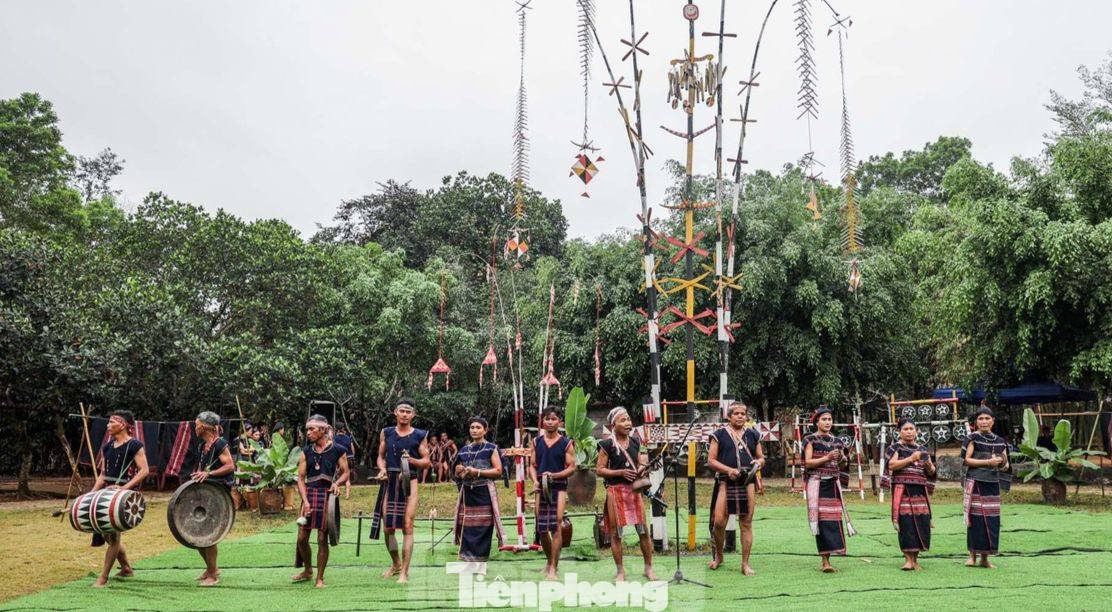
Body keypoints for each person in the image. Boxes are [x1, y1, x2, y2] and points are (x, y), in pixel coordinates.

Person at [371, 398, 430, 583]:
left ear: (413, 415)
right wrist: (382, 469)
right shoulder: (386, 432)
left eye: (408, 412)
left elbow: (426, 461)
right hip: (390, 480)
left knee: (407, 525)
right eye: (401, 411)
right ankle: (395, 563)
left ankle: (404, 571)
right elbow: (380, 457)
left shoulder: (420, 435)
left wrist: (413, 461)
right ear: (395, 412)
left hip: (409, 480)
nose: (404, 414)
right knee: (388, 528)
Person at [90, 410, 150, 588]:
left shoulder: (135, 445)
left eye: (111, 422)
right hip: (106, 493)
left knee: (114, 536)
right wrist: (91, 493)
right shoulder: (107, 447)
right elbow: (103, 475)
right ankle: (126, 568)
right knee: (106, 534)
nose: (107, 426)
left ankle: (103, 577)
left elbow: (144, 470)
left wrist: (124, 488)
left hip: (122, 495)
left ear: (123, 425)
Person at [596, 407, 656, 582]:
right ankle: (620, 572)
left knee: (643, 530)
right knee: (616, 533)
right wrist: (620, 473)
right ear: (613, 424)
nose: (628, 423)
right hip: (615, 492)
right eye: (623, 420)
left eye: (628, 419)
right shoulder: (606, 445)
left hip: (634, 491)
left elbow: (641, 462)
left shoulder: (636, 442)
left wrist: (643, 469)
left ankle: (648, 568)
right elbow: (599, 470)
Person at [706, 400, 764, 575]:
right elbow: (711, 461)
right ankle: (719, 556)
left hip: (747, 482)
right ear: (729, 416)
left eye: (743, 413)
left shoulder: (753, 434)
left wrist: (758, 462)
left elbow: (761, 457)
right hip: (725, 482)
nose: (740, 416)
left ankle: (745, 564)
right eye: (736, 413)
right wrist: (728, 470)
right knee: (719, 523)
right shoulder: (719, 434)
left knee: (746, 523)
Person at [291, 414, 350, 588]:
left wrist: (337, 483)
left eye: (312, 429)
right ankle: (308, 570)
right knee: (302, 538)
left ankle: (320, 578)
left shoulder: (338, 449)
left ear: (323, 430)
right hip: (309, 494)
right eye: (307, 429)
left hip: (326, 496)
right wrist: (305, 500)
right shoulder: (306, 452)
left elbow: (346, 472)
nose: (308, 432)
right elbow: (300, 478)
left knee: (322, 538)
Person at [803, 405, 856, 573]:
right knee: (821, 521)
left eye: (829, 419)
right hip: (817, 484)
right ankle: (825, 561)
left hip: (833, 484)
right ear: (816, 421)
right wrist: (826, 457)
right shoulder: (809, 439)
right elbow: (807, 462)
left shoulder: (837, 441)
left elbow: (842, 465)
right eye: (824, 419)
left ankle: (831, 556)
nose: (827, 422)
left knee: (833, 520)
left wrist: (841, 459)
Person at [452, 416, 506, 574]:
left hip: (484, 491)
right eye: (472, 428)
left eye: (478, 427)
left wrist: (478, 472)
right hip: (468, 492)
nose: (474, 430)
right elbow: (457, 471)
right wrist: (461, 472)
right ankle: (469, 563)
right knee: (467, 527)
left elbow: (498, 471)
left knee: (484, 527)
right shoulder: (463, 450)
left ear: (485, 430)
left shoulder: (491, 448)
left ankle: (482, 565)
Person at [882, 418, 936, 571]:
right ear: (899, 432)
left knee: (921, 522)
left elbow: (931, 472)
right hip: (903, 489)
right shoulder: (895, 448)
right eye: (905, 429)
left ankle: (916, 560)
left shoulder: (923, 449)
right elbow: (891, 465)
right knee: (906, 524)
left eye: (911, 429)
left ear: (916, 432)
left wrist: (929, 466)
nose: (909, 432)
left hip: (920, 490)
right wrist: (911, 458)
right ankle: (908, 560)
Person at [190, 411, 236, 586]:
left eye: (196, 425)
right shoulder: (203, 446)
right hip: (206, 494)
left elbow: (230, 465)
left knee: (209, 534)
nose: (195, 428)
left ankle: (213, 576)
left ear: (203, 426)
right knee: (199, 533)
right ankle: (211, 569)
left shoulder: (220, 444)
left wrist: (209, 473)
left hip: (218, 494)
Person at [530, 408, 575, 580]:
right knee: (541, 527)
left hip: (559, 485)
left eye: (553, 419)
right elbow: (532, 465)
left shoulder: (566, 443)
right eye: (547, 419)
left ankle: (554, 568)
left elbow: (572, 467)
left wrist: (554, 475)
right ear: (543, 422)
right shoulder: (536, 442)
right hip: (540, 485)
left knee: (556, 525)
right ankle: (549, 561)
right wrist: (535, 480)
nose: (550, 422)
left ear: (560, 422)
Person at [963, 405, 1008, 569]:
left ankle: (985, 558)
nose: (984, 422)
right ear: (976, 422)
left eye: (987, 418)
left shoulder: (1000, 441)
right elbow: (967, 460)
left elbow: (1005, 464)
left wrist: (1001, 462)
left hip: (992, 485)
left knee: (991, 520)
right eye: (980, 419)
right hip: (975, 483)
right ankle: (972, 556)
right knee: (975, 520)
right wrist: (987, 462)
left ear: (993, 421)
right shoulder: (972, 438)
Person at [334, 425, 356, 498]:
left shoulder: (334, 438)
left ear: (336, 430)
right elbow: (352, 448)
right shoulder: (348, 438)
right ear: (343, 429)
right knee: (347, 476)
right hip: (349, 458)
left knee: (339, 476)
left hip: (339, 458)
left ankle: (338, 492)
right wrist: (352, 456)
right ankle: (347, 495)